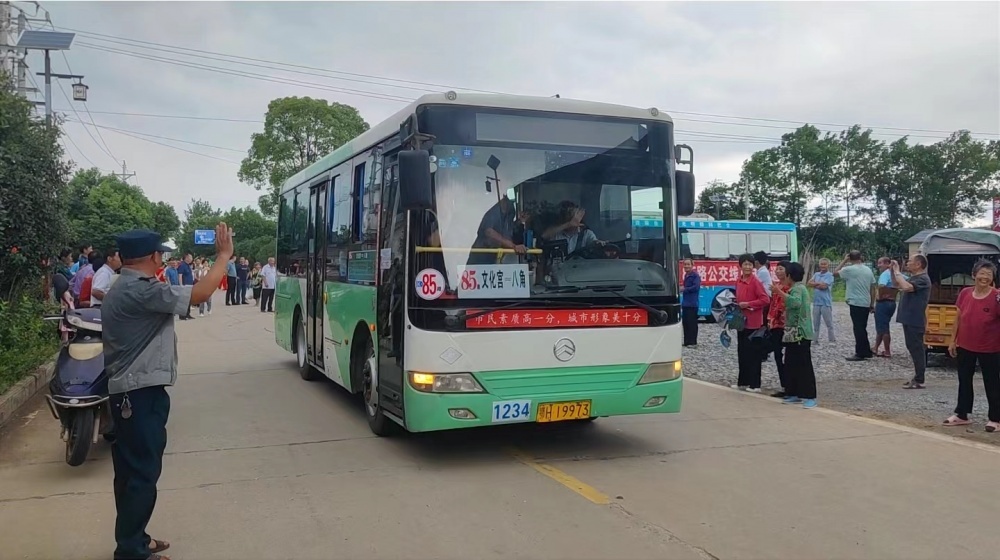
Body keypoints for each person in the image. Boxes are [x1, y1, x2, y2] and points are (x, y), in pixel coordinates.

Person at [101, 225, 232, 560]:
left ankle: (134, 539)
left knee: (130, 474)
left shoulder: (122, 287)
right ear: (154, 257)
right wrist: (223, 256)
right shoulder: (141, 290)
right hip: (139, 395)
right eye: (161, 253)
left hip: (129, 394)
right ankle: (131, 550)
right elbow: (200, 294)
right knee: (142, 474)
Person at [945, 260, 1000, 431]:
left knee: (992, 382)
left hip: (990, 347)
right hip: (965, 344)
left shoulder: (997, 296)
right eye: (982, 273)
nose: (985, 277)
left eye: (989, 275)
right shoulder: (965, 293)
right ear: (974, 275)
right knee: (964, 379)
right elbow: (958, 317)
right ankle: (962, 414)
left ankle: (995, 419)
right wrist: (952, 340)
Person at [774, 262, 817, 409]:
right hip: (792, 333)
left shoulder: (798, 288)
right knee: (791, 364)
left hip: (800, 333)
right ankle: (794, 393)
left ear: (789, 276)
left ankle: (810, 396)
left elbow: (795, 303)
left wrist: (779, 292)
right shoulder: (795, 288)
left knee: (804, 365)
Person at [891, 254, 931, 389]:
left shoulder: (923, 279)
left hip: (915, 319)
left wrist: (898, 272)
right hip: (909, 318)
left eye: (910, 261)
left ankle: (919, 379)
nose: (907, 263)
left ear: (918, 264)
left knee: (917, 348)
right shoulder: (913, 278)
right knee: (912, 347)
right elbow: (896, 284)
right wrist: (893, 271)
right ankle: (917, 377)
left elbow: (907, 287)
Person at [732, 253, 771, 392]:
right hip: (740, 322)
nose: (747, 267)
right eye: (745, 264)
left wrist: (748, 304)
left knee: (753, 354)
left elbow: (765, 299)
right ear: (740, 266)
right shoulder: (739, 281)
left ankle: (755, 384)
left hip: (753, 323)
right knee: (742, 352)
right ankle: (743, 382)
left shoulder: (755, 282)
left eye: (750, 264)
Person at [835, 251, 876, 361]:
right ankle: (866, 350)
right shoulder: (868, 269)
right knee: (862, 327)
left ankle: (860, 353)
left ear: (850, 258)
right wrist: (872, 303)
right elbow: (873, 287)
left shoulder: (849, 269)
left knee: (858, 328)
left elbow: (834, 273)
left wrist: (844, 261)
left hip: (855, 301)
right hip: (866, 301)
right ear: (860, 257)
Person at [467, 195, 525, 265]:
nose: (511, 205)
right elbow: (489, 232)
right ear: (504, 199)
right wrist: (513, 246)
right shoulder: (493, 211)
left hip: (493, 256)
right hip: (480, 255)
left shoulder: (509, 213)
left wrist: (519, 221)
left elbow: (506, 230)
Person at [541, 201, 606, 254]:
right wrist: (568, 224)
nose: (574, 219)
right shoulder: (557, 234)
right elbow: (544, 236)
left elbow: (594, 242)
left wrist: (598, 243)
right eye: (569, 215)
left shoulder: (586, 234)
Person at [768, 261, 792, 398]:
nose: (778, 271)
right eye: (777, 269)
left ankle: (790, 386)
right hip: (774, 325)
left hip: (784, 325)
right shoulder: (776, 286)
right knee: (778, 355)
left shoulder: (789, 288)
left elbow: (784, 306)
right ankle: (784, 385)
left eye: (781, 269)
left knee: (787, 356)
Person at [873, 257, 899, 357]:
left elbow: (882, 286)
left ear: (888, 264)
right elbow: (906, 280)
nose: (878, 265)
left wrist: (879, 296)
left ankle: (887, 351)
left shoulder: (884, 274)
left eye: (880, 263)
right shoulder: (896, 274)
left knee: (884, 328)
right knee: (882, 326)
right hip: (892, 303)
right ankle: (875, 347)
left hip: (883, 303)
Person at [807, 258, 835, 342]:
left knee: (828, 323)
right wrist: (819, 283)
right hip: (816, 302)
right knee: (815, 323)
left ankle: (831, 339)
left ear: (828, 265)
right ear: (819, 265)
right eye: (821, 264)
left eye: (825, 264)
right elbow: (809, 283)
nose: (823, 266)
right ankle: (815, 340)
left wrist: (815, 284)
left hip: (825, 302)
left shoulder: (830, 275)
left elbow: (824, 287)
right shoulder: (816, 274)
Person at [681, 258, 701, 347]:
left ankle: (692, 342)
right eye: (685, 264)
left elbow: (696, 287)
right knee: (685, 323)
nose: (686, 266)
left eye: (688, 264)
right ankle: (687, 341)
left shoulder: (695, 276)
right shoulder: (686, 275)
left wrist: (685, 289)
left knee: (692, 323)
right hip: (685, 303)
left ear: (692, 265)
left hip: (692, 304)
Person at [177, 255, 195, 320]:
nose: (192, 259)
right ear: (187, 258)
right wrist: (181, 284)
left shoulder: (188, 265)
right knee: (183, 301)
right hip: (185, 285)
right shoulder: (182, 265)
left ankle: (187, 314)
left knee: (188, 301)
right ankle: (182, 315)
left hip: (189, 285)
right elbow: (180, 275)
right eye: (191, 257)